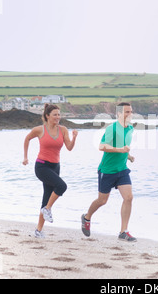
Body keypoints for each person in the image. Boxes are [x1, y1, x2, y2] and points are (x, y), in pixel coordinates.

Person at [81, 102, 137, 242]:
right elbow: (102, 146)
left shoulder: (130, 128)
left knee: (128, 197)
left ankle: (123, 231)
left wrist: (128, 156)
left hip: (122, 170)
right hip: (107, 170)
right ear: (118, 114)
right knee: (102, 201)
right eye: (126, 112)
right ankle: (86, 217)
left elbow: (123, 146)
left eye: (131, 111)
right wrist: (120, 150)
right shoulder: (112, 129)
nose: (130, 114)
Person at [23, 104, 78, 238]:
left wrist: (74, 137)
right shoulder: (39, 130)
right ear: (47, 116)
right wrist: (25, 157)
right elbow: (27, 138)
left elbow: (69, 148)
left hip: (55, 167)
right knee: (61, 186)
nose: (58, 117)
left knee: (47, 198)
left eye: (59, 114)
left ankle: (39, 230)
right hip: (42, 166)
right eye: (55, 114)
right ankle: (47, 209)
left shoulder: (63, 130)